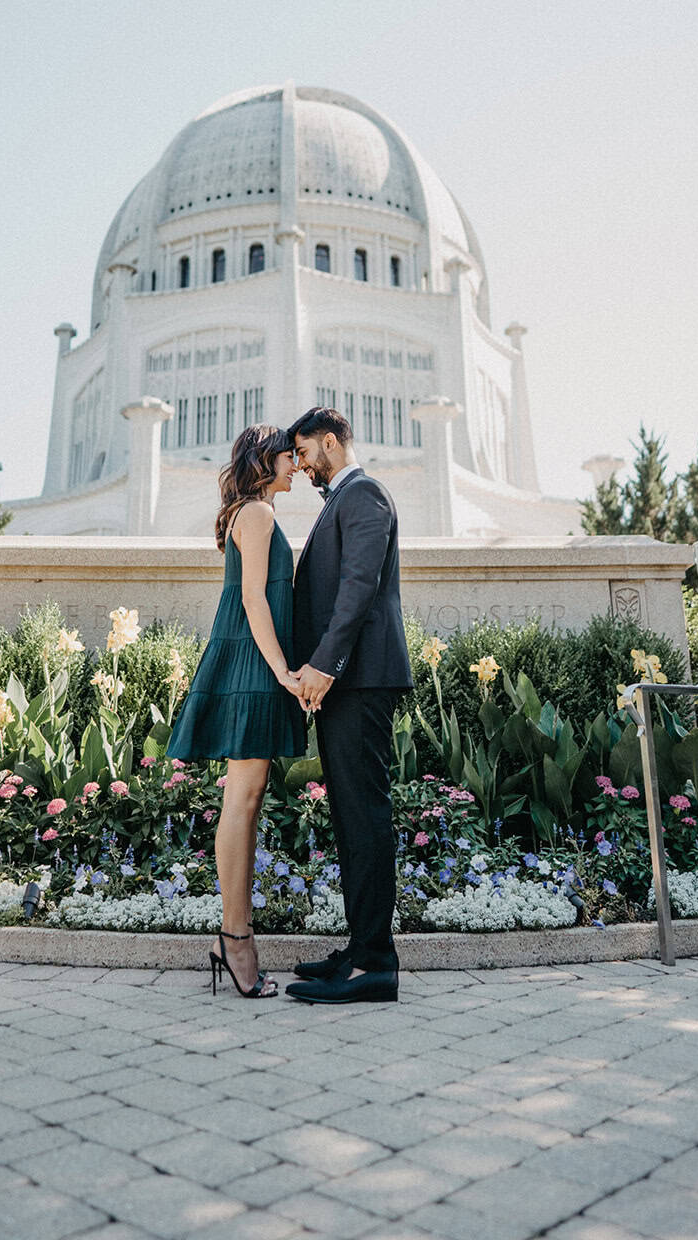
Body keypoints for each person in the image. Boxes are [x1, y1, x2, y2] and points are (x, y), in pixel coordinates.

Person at [166, 424, 306, 998]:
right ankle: (235, 939)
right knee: (242, 802)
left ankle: (235, 937)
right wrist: (281, 671)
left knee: (242, 802)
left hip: (252, 662)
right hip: (254, 666)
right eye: (289, 457)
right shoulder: (259, 515)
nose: (296, 465)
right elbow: (253, 599)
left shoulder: (249, 514)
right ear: (264, 460)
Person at [284, 406, 412, 1004]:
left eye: (307, 453)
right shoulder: (343, 499)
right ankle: (360, 948)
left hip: (358, 681)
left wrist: (322, 666)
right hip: (347, 682)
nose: (303, 466)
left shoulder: (365, 495)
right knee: (350, 817)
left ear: (332, 443)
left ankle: (375, 964)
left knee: (364, 816)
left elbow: (358, 588)